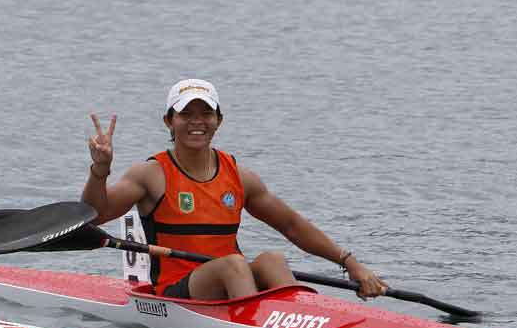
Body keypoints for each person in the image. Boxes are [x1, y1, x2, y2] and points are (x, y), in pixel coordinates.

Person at [83, 79, 389, 301]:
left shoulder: (239, 177)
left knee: (273, 259)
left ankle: (308, 321)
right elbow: (95, 216)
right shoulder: (151, 174)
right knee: (233, 264)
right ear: (169, 121)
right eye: (186, 115)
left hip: (234, 282)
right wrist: (100, 170)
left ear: (219, 121)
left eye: (206, 114)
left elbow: (293, 226)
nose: (197, 122)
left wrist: (350, 263)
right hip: (176, 292)